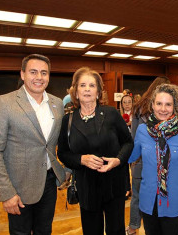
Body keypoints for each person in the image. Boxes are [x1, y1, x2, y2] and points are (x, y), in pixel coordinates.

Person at [0, 54, 67, 234]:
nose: (39, 77)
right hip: (18, 188)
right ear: (22, 74)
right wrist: (6, 193)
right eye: (33, 72)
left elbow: (58, 143)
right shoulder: (4, 103)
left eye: (44, 73)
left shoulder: (57, 103)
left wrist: (67, 169)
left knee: (45, 231)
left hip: (49, 182)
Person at [57, 67, 133, 235]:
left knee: (116, 230)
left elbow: (128, 143)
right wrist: (81, 160)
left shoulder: (111, 114)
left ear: (98, 91)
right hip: (87, 187)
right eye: (82, 85)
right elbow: (62, 153)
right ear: (75, 91)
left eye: (92, 85)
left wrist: (118, 160)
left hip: (114, 184)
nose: (87, 89)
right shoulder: (68, 120)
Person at [129, 84, 178, 235]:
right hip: (148, 200)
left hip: (175, 201)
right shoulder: (142, 131)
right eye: (159, 103)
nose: (163, 109)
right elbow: (131, 156)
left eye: (168, 104)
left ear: (175, 106)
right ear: (152, 105)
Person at [127, 76, 170, 235]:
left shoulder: (138, 107)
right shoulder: (167, 110)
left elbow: (133, 139)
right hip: (159, 162)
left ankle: (133, 227)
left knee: (137, 197)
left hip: (140, 161)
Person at [120, 94, 134, 199]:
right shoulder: (118, 115)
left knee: (134, 168)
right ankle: (126, 189)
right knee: (124, 169)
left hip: (134, 145)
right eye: (124, 102)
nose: (127, 104)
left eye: (129, 102)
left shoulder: (136, 116)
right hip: (123, 145)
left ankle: (135, 189)